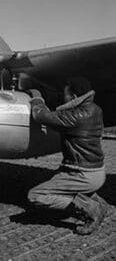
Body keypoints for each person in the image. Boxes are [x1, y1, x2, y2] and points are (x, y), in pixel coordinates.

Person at [27, 77, 108, 235]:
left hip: (83, 174)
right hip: (97, 170)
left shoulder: (74, 116)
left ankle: (91, 210)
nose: (63, 98)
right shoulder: (96, 109)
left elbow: (40, 116)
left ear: (74, 97)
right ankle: (94, 200)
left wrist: (36, 97)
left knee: (36, 195)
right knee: (58, 180)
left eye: (66, 95)